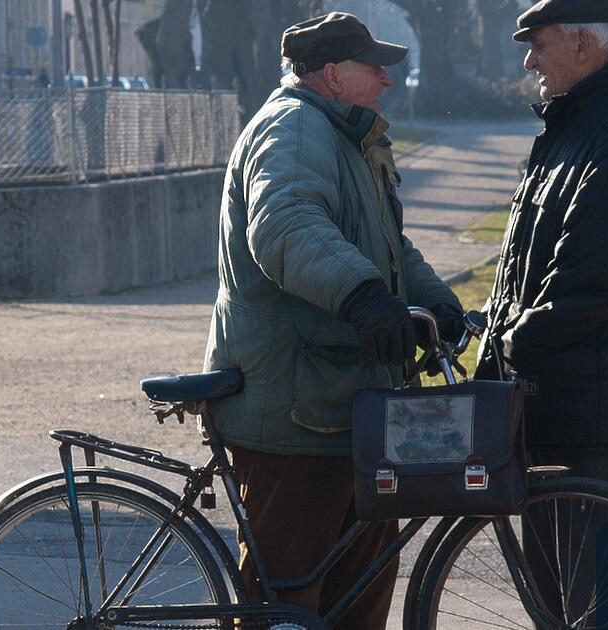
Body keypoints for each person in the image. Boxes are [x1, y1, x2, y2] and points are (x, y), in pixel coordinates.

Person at [202, 12, 463, 629]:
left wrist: (439, 306)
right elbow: (287, 228)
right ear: (330, 75)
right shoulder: (294, 131)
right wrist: (366, 300)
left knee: (360, 594)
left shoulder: (348, 137)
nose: (386, 80)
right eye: (373, 67)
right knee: (287, 602)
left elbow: (389, 249)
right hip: (296, 413)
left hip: (349, 408)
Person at [477, 0, 608, 624]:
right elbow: (525, 264)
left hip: (595, 410)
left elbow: (597, 279)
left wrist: (510, 341)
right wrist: (487, 328)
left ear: (584, 46)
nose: (529, 60)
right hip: (552, 401)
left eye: (539, 44)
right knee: (559, 605)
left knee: (603, 607)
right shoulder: (571, 127)